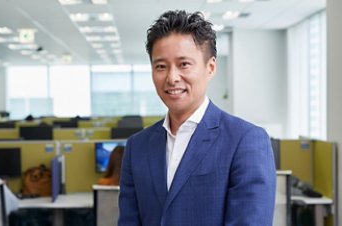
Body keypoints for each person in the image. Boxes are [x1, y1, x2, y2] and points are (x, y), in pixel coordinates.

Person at [118, 10, 276, 226]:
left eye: (184, 64)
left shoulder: (245, 140)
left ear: (210, 68)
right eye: (161, 66)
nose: (172, 78)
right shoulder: (137, 147)